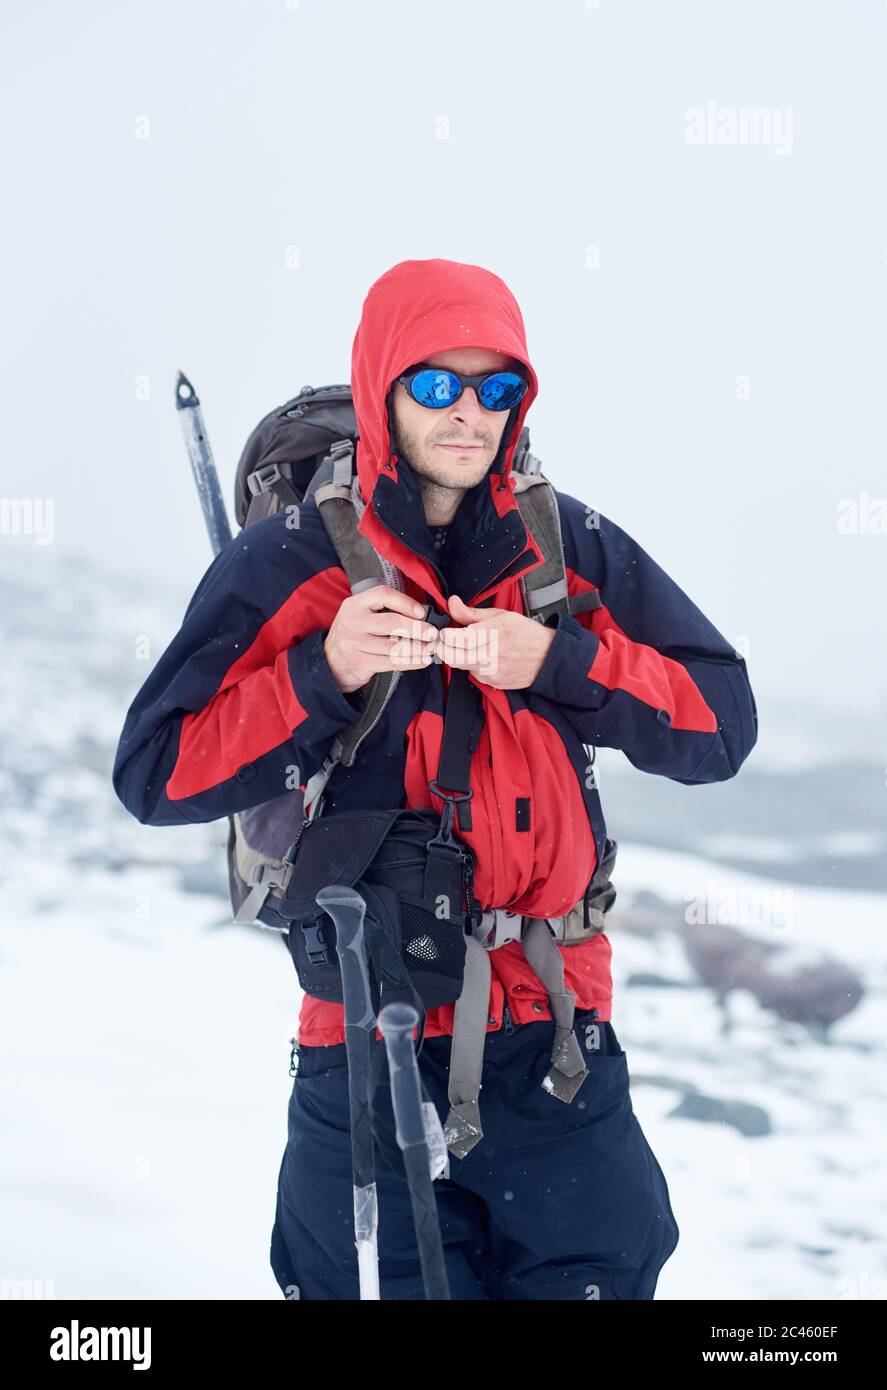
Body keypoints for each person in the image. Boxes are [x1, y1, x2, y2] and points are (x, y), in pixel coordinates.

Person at [113, 257, 758, 1300]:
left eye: (496, 387)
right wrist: (321, 673)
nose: (469, 412)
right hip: (366, 1042)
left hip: (556, 1042)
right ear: (382, 387)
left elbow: (718, 723)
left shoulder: (564, 546)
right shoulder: (289, 565)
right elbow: (155, 772)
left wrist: (557, 662)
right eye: (437, 384)